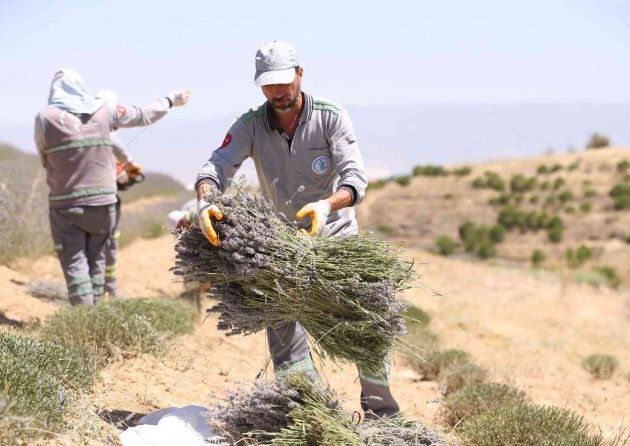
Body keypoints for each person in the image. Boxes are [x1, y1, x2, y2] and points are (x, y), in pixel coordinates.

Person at [194, 41, 399, 419]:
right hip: (281, 245)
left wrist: (326, 205)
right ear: (260, 86)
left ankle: (381, 414)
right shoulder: (250, 126)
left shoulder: (330, 116)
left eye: (285, 82)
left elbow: (355, 178)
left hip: (336, 237)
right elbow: (216, 167)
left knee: (367, 323)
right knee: (284, 333)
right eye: (270, 85)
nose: (279, 92)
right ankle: (309, 414)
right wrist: (206, 200)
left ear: (300, 75)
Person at [34, 68, 190, 306]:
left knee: (74, 262)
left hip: (65, 204)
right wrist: (170, 100)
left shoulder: (45, 118)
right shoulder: (104, 110)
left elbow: (44, 159)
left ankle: (84, 318)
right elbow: (141, 114)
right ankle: (96, 312)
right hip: (103, 204)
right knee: (98, 259)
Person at [96, 89, 142, 297]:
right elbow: (123, 164)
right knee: (109, 244)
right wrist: (129, 173)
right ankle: (108, 289)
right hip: (106, 201)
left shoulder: (81, 129)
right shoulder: (110, 134)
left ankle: (94, 291)